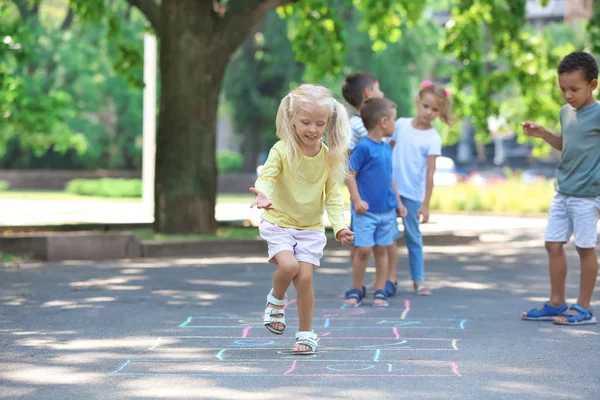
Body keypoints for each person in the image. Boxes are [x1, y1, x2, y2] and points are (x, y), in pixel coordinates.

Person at [250, 84, 355, 355]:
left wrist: (340, 226)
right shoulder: (282, 150)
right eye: (306, 122)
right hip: (279, 221)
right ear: (291, 118)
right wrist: (263, 194)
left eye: (320, 124)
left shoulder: (328, 157)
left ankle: (306, 334)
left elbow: (332, 196)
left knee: (305, 278)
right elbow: (268, 177)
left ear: (328, 123)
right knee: (288, 266)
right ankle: (276, 301)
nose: (312, 129)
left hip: (310, 227)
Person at [521, 51, 599, 325]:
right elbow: (567, 145)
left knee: (585, 248)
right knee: (552, 244)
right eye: (563, 89)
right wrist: (543, 134)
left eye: (574, 89)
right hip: (563, 191)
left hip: (588, 195)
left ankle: (584, 307)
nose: (568, 95)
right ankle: (556, 302)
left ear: (593, 85)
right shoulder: (566, 112)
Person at [388, 81, 454, 296]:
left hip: (413, 194)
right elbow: (385, 153)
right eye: (426, 106)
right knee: (387, 237)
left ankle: (419, 281)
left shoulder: (433, 137)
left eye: (435, 109)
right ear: (417, 103)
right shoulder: (400, 125)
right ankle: (386, 280)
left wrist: (425, 204)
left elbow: (430, 173)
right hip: (390, 189)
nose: (429, 112)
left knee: (413, 237)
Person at [343, 97, 407, 307]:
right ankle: (356, 288)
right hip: (365, 212)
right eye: (393, 120)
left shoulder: (387, 148)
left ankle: (381, 289)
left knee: (382, 250)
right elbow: (349, 173)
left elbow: (389, 178)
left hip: (386, 211)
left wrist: (398, 203)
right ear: (383, 122)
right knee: (363, 250)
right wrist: (357, 200)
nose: (395, 125)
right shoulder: (363, 147)